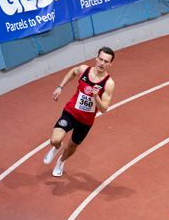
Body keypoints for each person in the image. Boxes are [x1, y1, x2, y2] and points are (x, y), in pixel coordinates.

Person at [43, 47, 116, 177]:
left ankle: (60, 162)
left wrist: (96, 97)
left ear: (110, 64)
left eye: (106, 61)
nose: (102, 63)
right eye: (100, 59)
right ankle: (57, 147)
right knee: (54, 140)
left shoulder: (108, 83)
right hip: (71, 112)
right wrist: (61, 87)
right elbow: (72, 72)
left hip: (86, 121)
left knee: (72, 146)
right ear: (96, 58)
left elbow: (104, 109)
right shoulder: (84, 70)